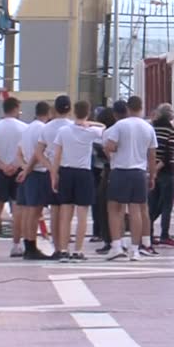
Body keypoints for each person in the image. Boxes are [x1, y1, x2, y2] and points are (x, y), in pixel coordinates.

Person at [103, 95, 159, 261]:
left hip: (120, 170)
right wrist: (152, 175)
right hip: (139, 172)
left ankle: (116, 246)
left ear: (127, 108)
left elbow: (110, 146)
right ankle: (135, 249)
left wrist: (115, 151)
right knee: (136, 210)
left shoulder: (120, 125)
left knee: (114, 209)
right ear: (141, 107)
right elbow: (152, 155)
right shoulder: (148, 128)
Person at [52, 100, 106, 262]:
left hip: (66, 172)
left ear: (73, 112)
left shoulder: (63, 131)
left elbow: (57, 155)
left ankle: (63, 249)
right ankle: (78, 250)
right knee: (82, 214)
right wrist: (90, 123)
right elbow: (105, 129)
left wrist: (54, 175)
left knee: (65, 214)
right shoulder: (91, 131)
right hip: (84, 173)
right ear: (88, 113)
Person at [0, 96, 27, 258]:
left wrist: (2, 166)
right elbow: (27, 151)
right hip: (18, 171)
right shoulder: (25, 128)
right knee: (18, 210)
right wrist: (14, 165)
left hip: (0, 172)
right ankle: (16, 245)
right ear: (16, 109)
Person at [34, 95, 74, 259]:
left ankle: (57, 247)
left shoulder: (47, 128)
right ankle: (65, 247)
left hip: (50, 171)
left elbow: (38, 152)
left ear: (54, 109)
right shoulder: (73, 126)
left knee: (55, 210)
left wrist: (50, 167)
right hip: (68, 170)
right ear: (70, 109)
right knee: (67, 212)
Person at [16, 101, 52, 260]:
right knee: (35, 212)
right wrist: (28, 169)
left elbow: (18, 153)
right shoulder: (43, 129)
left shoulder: (27, 128)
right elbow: (38, 154)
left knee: (27, 211)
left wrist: (24, 167)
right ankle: (31, 246)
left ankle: (27, 245)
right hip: (37, 173)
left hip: (28, 173)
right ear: (48, 113)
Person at [96, 100, 129, 255]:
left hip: (112, 171)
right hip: (131, 170)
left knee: (108, 206)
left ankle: (111, 240)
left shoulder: (110, 132)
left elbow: (108, 152)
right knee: (124, 207)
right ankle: (122, 239)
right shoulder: (131, 128)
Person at [149, 103, 174, 248]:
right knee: (166, 205)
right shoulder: (171, 131)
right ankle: (164, 235)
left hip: (151, 169)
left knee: (152, 203)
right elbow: (168, 154)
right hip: (166, 171)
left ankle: (148, 233)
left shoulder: (151, 129)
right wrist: (157, 168)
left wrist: (152, 170)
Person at [90, 107, 116, 245]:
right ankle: (107, 234)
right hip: (107, 168)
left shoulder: (102, 132)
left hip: (100, 169)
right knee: (105, 203)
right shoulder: (112, 131)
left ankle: (100, 232)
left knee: (99, 202)